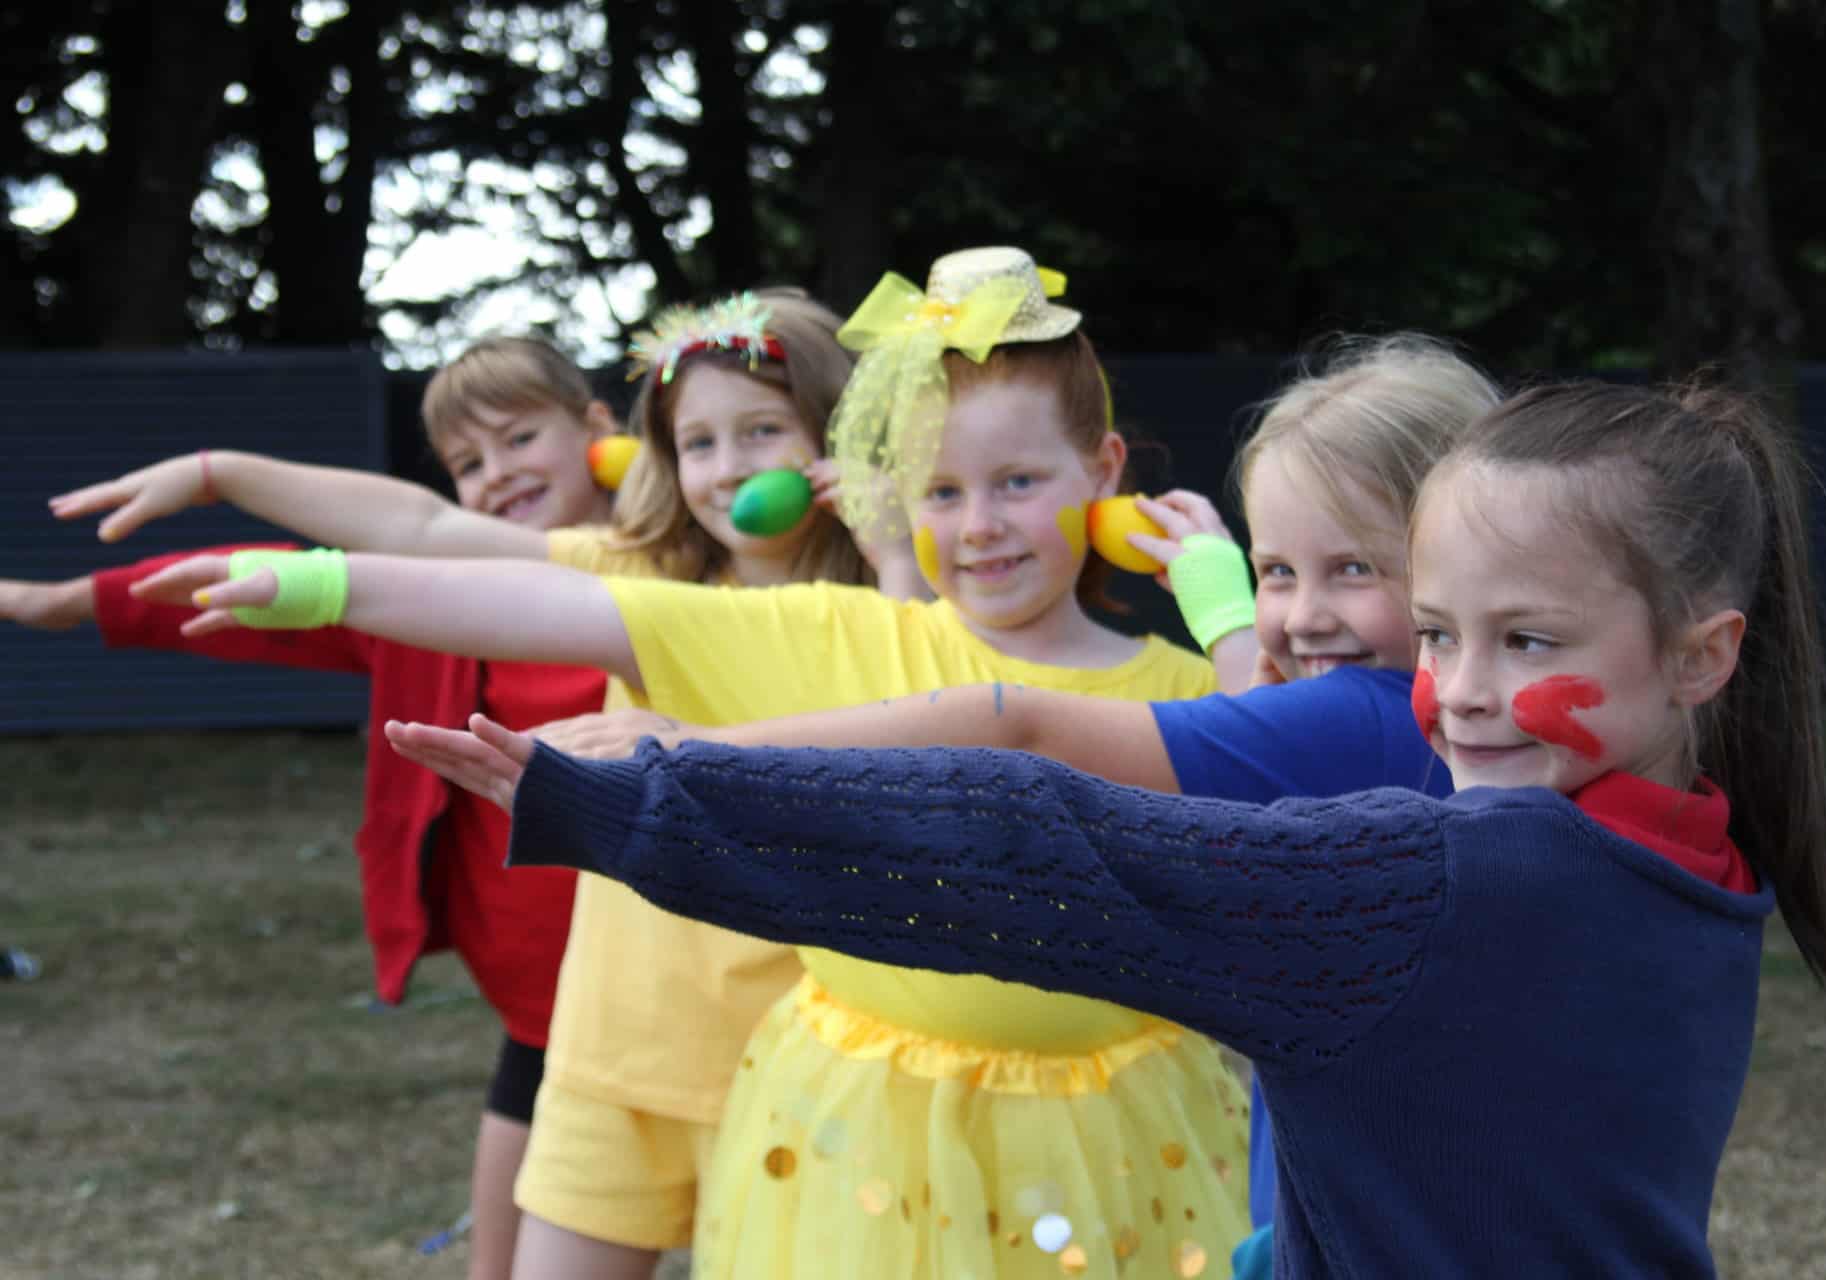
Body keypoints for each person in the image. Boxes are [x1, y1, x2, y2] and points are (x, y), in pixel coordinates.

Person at [388, 379, 1826, 1277]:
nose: (1460, 697)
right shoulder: (1707, 861)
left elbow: (1043, 849)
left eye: (1529, 642)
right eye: (1445, 634)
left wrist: (650, 796)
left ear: (1703, 653)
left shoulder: (1442, 883)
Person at [133, 247, 1252, 1279]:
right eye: (943, 493)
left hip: (1114, 1145)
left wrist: (1228, 609)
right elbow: (553, 598)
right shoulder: (844, 634)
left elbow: (1298, 799)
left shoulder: (1183, 681)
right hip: (859, 1132)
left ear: (1102, 468)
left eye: (1019, 482)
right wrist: (328, 580)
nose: (981, 527)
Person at [472, 332, 1502, 1265]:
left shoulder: (1368, 716)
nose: (1307, 613)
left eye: (1353, 568)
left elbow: (1023, 725)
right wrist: (1232, 617)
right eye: (1279, 569)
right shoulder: (1478, 737)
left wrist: (696, 748)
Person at [23, 295, 889, 1280]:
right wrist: (229, 479)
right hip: (614, 1050)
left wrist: (896, 535)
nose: (729, 467)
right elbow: (426, 528)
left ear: (837, 437)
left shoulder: (897, 607)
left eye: (763, 431)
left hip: (807, 1055)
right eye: (697, 442)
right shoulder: (641, 569)